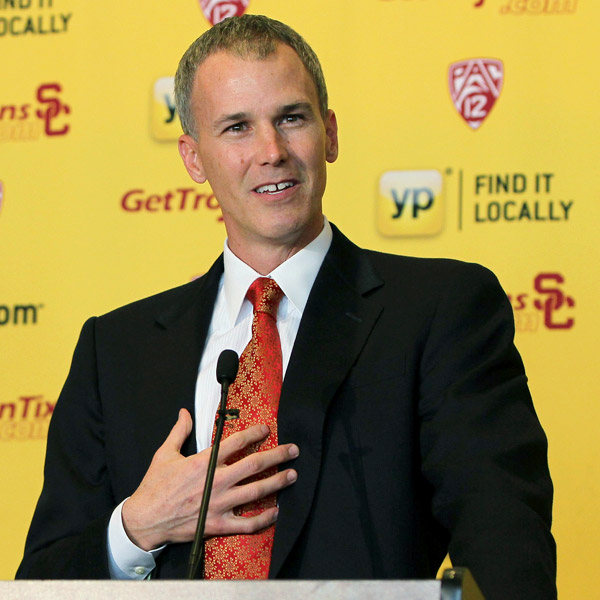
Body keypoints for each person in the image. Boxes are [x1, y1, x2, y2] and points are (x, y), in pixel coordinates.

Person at [16, 14, 556, 599]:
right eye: (237, 128)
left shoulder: (441, 310)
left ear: (330, 132)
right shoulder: (115, 350)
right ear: (193, 159)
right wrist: (137, 527)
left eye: (291, 118)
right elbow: (41, 581)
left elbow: (508, 553)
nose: (271, 151)